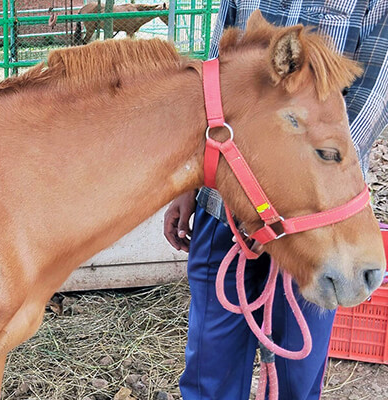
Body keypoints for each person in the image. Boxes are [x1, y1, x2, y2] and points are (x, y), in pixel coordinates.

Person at [163, 2, 388, 399]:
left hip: (315, 222)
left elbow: (367, 104)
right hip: (226, 208)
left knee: (296, 378)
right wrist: (188, 184)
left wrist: (275, 192)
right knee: (209, 368)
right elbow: (215, 82)